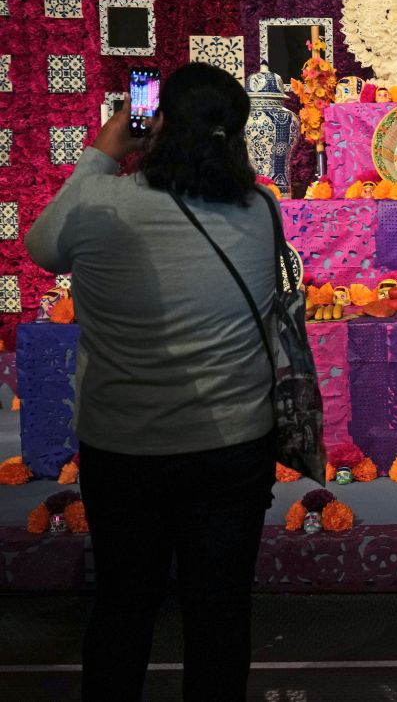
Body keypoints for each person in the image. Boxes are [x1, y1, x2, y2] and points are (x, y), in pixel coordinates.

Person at [25, 63, 281, 701]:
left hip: (125, 448)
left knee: (123, 608)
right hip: (233, 444)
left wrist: (103, 153)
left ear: (155, 122)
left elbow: (41, 248)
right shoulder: (259, 209)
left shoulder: (98, 201)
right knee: (219, 615)